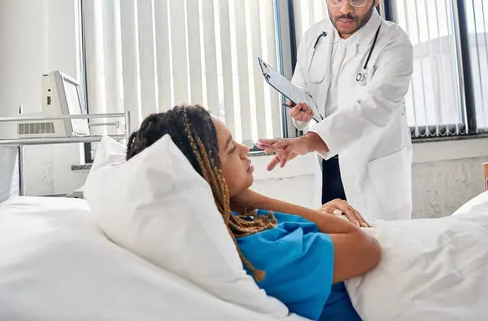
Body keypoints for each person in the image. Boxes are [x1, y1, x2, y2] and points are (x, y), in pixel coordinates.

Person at [126, 105, 380, 321]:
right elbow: (367, 247)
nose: (244, 149)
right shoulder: (258, 255)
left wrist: (318, 217)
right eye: (230, 149)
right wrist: (254, 200)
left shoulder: (229, 228)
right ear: (205, 176)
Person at [257, 0, 414, 222]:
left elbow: (376, 107)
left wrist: (308, 141)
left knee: (382, 247)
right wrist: (300, 113)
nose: (345, 9)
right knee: (334, 242)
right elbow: (302, 86)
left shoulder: (393, 41)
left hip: (373, 168)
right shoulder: (314, 36)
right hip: (327, 164)